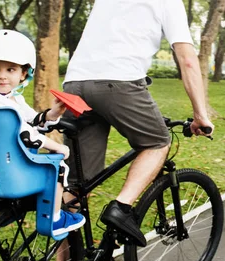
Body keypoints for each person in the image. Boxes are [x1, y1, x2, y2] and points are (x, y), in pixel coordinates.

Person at [62, 0, 213, 246]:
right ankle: (120, 209)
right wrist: (200, 114)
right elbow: (187, 60)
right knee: (157, 142)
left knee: (78, 188)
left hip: (74, 84)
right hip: (118, 81)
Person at [0, 29, 86, 236]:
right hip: (8, 165)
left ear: (23, 74)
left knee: (49, 164)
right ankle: (54, 219)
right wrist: (57, 146)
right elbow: (25, 133)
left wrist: (51, 114)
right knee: (58, 168)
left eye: (10, 70)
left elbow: (32, 120)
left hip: (2, 162)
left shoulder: (12, 98)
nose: (2, 76)